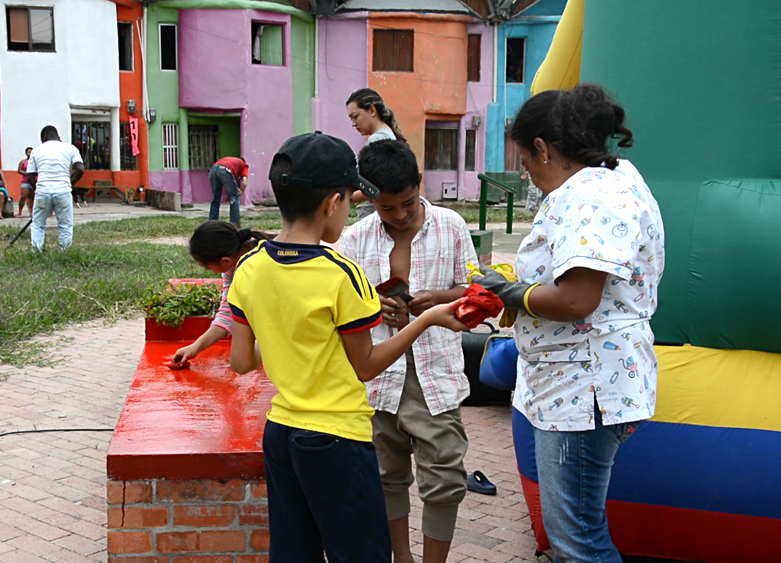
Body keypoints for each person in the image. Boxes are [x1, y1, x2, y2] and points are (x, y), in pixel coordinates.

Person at [226, 131, 469, 563]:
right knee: (358, 552)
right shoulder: (342, 271)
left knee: (295, 550)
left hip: (280, 432)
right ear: (333, 203)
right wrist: (428, 318)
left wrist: (292, 339)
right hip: (337, 436)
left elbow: (242, 360)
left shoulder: (248, 265)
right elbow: (367, 366)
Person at [472, 84, 665, 563]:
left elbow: (577, 299)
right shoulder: (614, 180)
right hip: (581, 380)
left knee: (577, 539)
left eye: (526, 161)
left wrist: (513, 292)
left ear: (543, 148)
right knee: (575, 529)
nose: (529, 176)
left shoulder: (589, 194)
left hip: (583, 387)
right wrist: (508, 292)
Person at [337, 140, 477, 563]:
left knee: (444, 478)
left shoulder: (451, 226)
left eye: (408, 204)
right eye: (387, 209)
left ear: (420, 184)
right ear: (369, 198)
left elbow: (475, 293)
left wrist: (438, 299)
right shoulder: (354, 239)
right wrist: (372, 306)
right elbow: (340, 307)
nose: (399, 215)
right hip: (380, 379)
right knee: (386, 476)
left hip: (436, 375)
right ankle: (402, 556)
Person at [171, 221, 273, 368]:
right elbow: (227, 314)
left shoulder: (267, 260)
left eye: (206, 266)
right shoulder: (232, 267)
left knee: (241, 362)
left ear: (225, 260)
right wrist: (194, 348)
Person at [346, 88, 407, 220]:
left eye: (355, 117)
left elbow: (377, 187)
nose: (353, 124)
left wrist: (347, 199)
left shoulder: (378, 140)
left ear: (372, 111)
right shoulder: (385, 135)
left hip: (374, 210)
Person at [26, 125, 85, 251]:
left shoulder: (36, 150)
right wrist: (70, 182)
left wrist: (37, 188)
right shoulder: (70, 148)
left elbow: (30, 175)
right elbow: (80, 168)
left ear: (44, 137)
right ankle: (64, 253)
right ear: (58, 136)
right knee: (65, 226)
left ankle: (36, 251)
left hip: (43, 190)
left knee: (38, 224)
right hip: (63, 190)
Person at [208, 156, 248, 227]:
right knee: (234, 199)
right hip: (225, 170)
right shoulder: (244, 164)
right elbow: (244, 183)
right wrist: (240, 192)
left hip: (213, 170)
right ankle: (234, 225)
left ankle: (211, 224)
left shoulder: (230, 161)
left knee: (216, 199)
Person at [17, 147, 34, 217]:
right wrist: (26, 173)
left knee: (33, 197)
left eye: (31, 152)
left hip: (33, 181)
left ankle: (32, 211)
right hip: (25, 181)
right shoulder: (23, 162)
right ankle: (20, 211)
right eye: (28, 152)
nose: (30, 153)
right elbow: (19, 170)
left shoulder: (35, 161)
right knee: (23, 196)